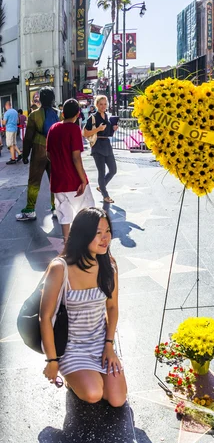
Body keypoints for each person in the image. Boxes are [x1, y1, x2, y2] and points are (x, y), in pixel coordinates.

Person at [40, 207, 127, 407]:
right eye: (98, 233)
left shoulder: (109, 266)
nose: (105, 238)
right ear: (83, 235)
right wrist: (51, 361)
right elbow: (45, 317)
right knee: (94, 393)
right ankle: (73, 376)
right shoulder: (60, 268)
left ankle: (90, 374)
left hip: (100, 343)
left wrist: (109, 345)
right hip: (71, 347)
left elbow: (112, 307)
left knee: (117, 400)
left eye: (108, 232)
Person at [46, 98, 95, 241]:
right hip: (73, 179)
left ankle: (67, 242)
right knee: (88, 210)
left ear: (63, 113)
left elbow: (48, 154)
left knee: (63, 212)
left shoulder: (53, 128)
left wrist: (59, 163)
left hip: (57, 180)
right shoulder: (74, 129)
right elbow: (76, 157)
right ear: (77, 114)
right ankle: (88, 241)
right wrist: (83, 179)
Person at [16, 87, 59, 221]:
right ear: (53, 99)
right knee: (55, 181)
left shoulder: (34, 115)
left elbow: (28, 137)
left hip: (39, 150)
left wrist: (25, 155)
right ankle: (56, 207)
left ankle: (30, 209)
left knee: (34, 181)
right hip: (55, 151)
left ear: (40, 99)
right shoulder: (60, 114)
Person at [83, 95, 118, 204]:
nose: (103, 106)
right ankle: (105, 195)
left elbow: (108, 133)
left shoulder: (107, 117)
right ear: (96, 105)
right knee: (101, 172)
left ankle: (101, 186)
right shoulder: (93, 117)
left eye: (105, 104)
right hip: (97, 146)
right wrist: (98, 129)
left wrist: (113, 129)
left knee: (113, 170)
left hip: (107, 145)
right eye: (101, 104)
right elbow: (84, 133)